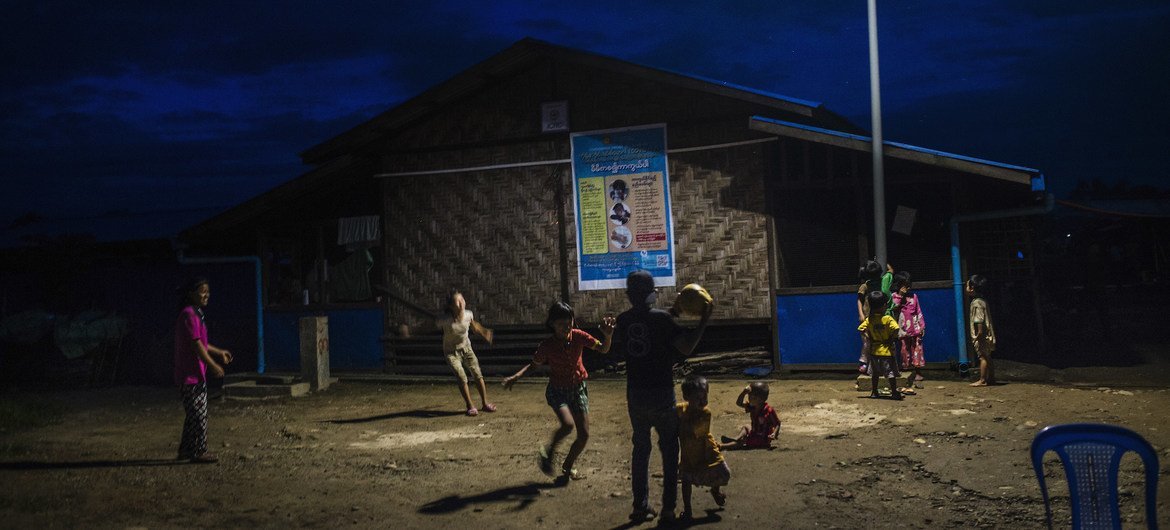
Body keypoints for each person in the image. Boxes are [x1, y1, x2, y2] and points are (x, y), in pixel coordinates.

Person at [615, 269, 713, 523]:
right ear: (652, 294)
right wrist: (704, 321)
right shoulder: (662, 319)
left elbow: (643, 328)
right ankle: (668, 509)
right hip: (661, 395)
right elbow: (686, 347)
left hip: (635, 395)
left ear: (628, 295)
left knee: (641, 450)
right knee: (669, 451)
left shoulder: (623, 320)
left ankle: (640, 507)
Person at [502, 301, 615, 483]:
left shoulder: (578, 336)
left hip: (578, 389)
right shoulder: (547, 346)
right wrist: (516, 377)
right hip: (558, 391)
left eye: (569, 321)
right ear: (552, 324)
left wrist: (608, 336)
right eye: (561, 323)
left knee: (584, 435)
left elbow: (603, 348)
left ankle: (568, 466)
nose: (566, 326)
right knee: (568, 425)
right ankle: (549, 452)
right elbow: (534, 365)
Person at [174, 277, 233, 464]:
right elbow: (197, 344)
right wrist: (214, 365)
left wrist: (219, 352)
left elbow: (203, 343)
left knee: (194, 414)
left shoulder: (195, 313)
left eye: (208, 291)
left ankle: (185, 450)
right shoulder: (189, 315)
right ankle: (200, 451)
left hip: (194, 374)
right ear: (192, 293)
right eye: (202, 291)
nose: (207, 295)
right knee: (199, 414)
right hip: (189, 375)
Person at [436, 290, 496, 416]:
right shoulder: (445, 320)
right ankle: (470, 405)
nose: (461, 303)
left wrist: (484, 332)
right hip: (451, 352)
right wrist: (411, 331)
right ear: (451, 306)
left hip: (467, 348)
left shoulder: (468, 314)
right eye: (457, 301)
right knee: (461, 376)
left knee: (477, 374)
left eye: (462, 299)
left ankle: (485, 403)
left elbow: (474, 326)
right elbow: (427, 325)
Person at [677, 375, 729, 519]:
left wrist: (680, 426)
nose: (703, 401)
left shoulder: (706, 412)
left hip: (707, 451)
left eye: (705, 396)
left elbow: (698, 432)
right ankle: (687, 509)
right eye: (698, 397)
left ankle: (715, 490)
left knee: (722, 473)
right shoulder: (681, 409)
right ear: (686, 396)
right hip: (688, 454)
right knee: (686, 480)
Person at [859, 290, 902, 399]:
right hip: (887, 352)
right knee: (890, 373)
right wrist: (891, 338)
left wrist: (870, 337)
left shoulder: (870, 320)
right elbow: (896, 328)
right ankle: (894, 392)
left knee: (875, 374)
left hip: (874, 351)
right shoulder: (887, 319)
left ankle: (874, 392)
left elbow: (861, 328)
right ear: (884, 305)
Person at [857, 260, 894, 374]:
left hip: (880, 317)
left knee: (879, 341)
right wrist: (861, 314)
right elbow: (859, 300)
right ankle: (864, 362)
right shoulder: (865, 286)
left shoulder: (883, 281)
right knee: (867, 340)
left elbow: (890, 272)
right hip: (868, 316)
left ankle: (879, 366)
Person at [719, 381, 781, 450]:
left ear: (762, 399)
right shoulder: (752, 407)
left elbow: (777, 423)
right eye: (749, 396)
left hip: (763, 439)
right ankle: (737, 438)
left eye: (753, 397)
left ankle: (721, 446)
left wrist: (774, 434)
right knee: (746, 426)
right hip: (754, 433)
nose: (749, 399)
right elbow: (739, 403)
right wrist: (743, 393)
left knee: (741, 442)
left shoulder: (769, 410)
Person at [892, 271, 926, 394]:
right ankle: (905, 369)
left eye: (908, 285)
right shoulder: (894, 297)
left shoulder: (914, 296)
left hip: (915, 327)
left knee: (917, 349)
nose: (907, 288)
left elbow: (918, 311)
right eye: (904, 285)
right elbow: (894, 308)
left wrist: (922, 325)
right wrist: (900, 295)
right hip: (903, 328)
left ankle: (918, 373)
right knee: (904, 349)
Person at [967, 274, 997, 387]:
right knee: (988, 356)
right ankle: (991, 378)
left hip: (982, 335)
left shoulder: (976, 303)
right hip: (987, 334)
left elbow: (978, 320)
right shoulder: (983, 301)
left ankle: (983, 379)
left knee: (982, 357)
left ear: (972, 288)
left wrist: (979, 335)